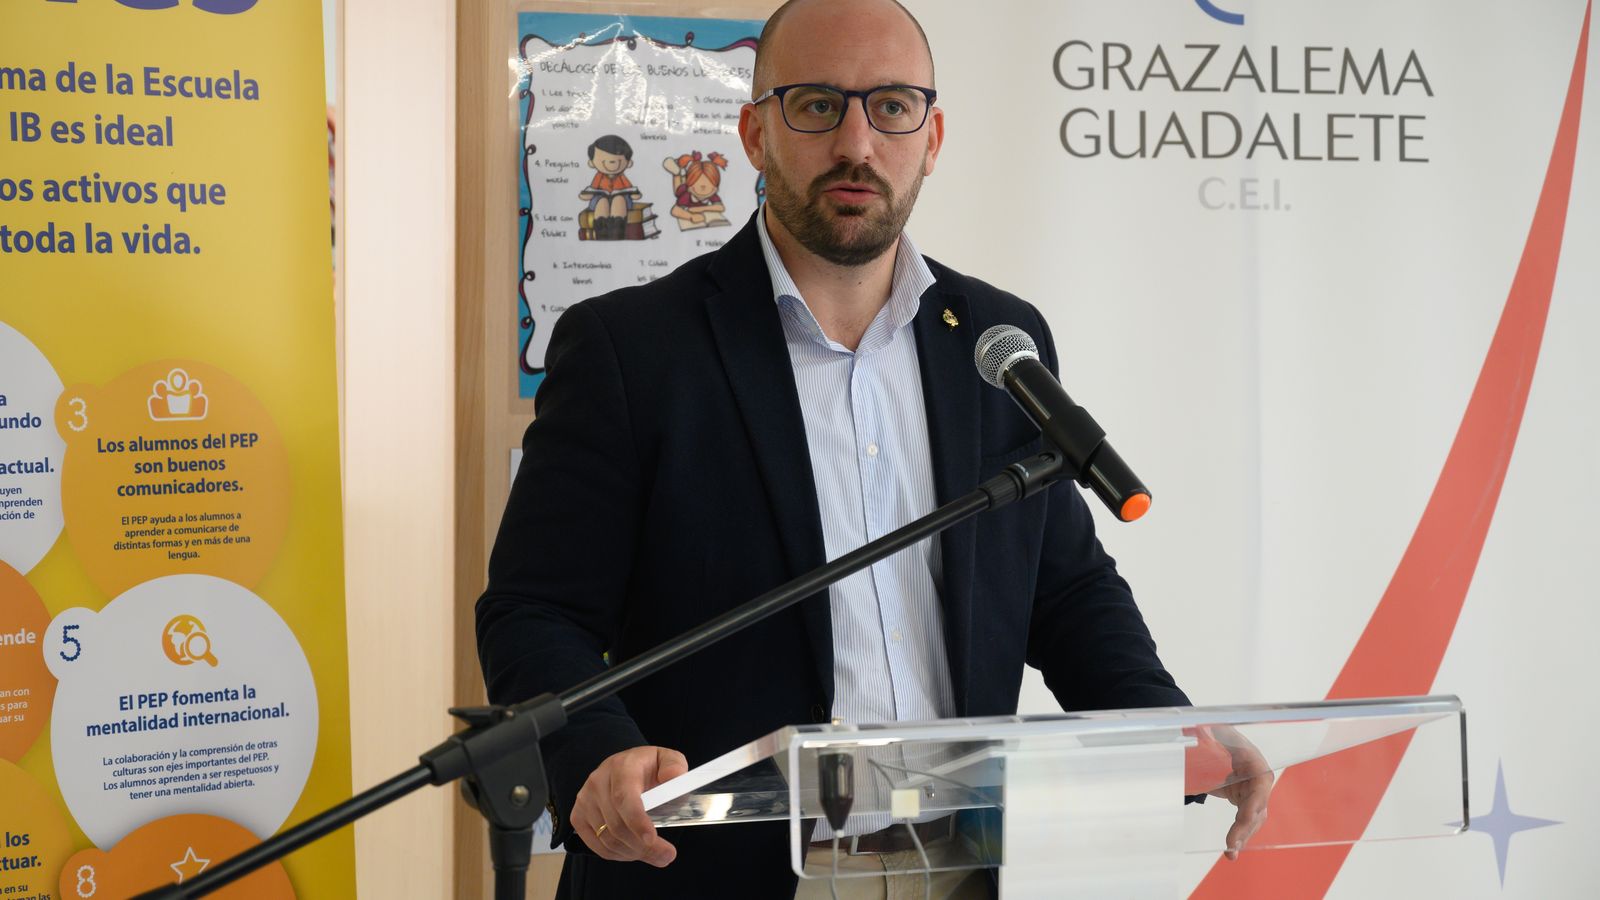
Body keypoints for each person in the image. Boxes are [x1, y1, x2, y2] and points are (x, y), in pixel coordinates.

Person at [477, 1, 1271, 897]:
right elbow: (535, 612)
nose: (856, 143)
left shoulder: (999, 341)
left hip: (953, 867)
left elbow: (1066, 590)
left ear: (932, 138)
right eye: (818, 105)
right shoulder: (633, 351)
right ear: (754, 133)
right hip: (715, 874)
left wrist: (1168, 731)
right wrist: (598, 754)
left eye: (891, 106)